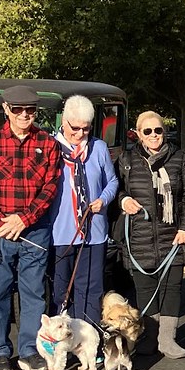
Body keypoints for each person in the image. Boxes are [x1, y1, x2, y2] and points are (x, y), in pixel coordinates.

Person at [0, 85, 62, 370]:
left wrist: (24, 219)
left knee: (33, 293)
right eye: (19, 109)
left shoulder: (47, 143)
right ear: (6, 109)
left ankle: (29, 351)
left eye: (31, 110)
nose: (25, 115)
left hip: (34, 230)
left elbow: (50, 187)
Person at [116, 111, 185, 358]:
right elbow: (116, 189)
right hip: (139, 234)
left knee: (172, 288)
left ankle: (167, 340)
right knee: (145, 290)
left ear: (164, 131)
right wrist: (123, 200)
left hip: (173, 235)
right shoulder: (126, 159)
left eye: (158, 130)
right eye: (147, 131)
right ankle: (149, 337)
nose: (154, 135)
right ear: (138, 134)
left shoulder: (180, 158)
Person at [50, 95, 119, 333]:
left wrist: (104, 199)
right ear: (64, 121)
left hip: (93, 233)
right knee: (61, 290)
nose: (80, 134)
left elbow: (112, 181)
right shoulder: (51, 148)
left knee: (90, 290)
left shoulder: (98, 148)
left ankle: (89, 342)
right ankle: (62, 343)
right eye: (75, 128)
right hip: (60, 234)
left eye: (86, 129)